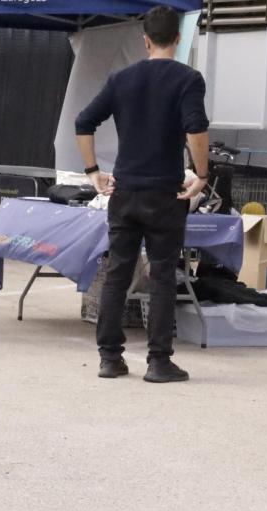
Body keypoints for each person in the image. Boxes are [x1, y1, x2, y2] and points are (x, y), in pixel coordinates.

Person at [76, 5, 208, 383]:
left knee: (118, 271)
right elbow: (196, 129)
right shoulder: (188, 79)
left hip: (125, 189)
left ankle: (109, 356)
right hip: (165, 191)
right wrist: (201, 174)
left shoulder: (121, 79)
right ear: (179, 38)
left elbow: (84, 121)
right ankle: (158, 361)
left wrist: (92, 172)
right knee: (163, 274)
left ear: (145, 39)